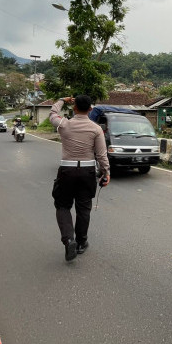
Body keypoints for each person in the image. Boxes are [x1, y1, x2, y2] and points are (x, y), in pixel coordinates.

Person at [50, 95, 110, 262]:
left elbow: (53, 112)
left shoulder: (64, 124)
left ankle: (69, 239)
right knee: (83, 209)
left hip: (66, 171)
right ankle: (81, 243)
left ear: (74, 108)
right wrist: (106, 173)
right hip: (88, 172)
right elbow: (101, 155)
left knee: (62, 206)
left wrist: (62, 99)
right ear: (90, 109)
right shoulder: (96, 129)